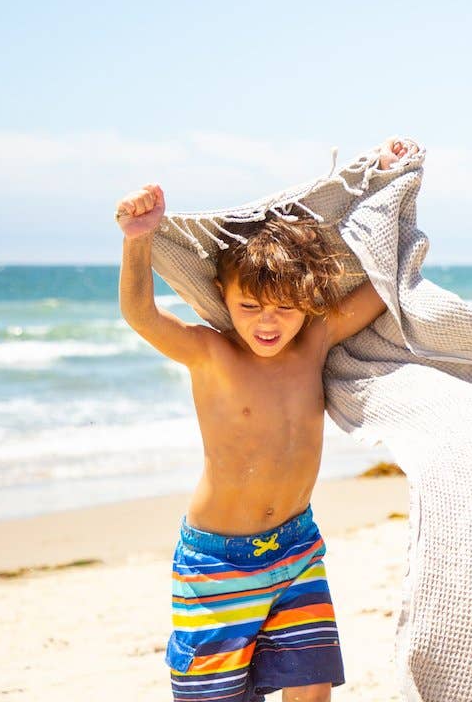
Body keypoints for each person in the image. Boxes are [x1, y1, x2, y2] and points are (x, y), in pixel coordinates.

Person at [115, 138, 412, 702]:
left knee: (312, 690)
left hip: (297, 548)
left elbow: (380, 282)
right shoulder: (211, 354)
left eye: (283, 307)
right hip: (217, 561)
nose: (267, 322)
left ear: (309, 301)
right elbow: (140, 313)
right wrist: (138, 241)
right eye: (250, 307)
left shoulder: (316, 341)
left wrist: (389, 182)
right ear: (225, 301)